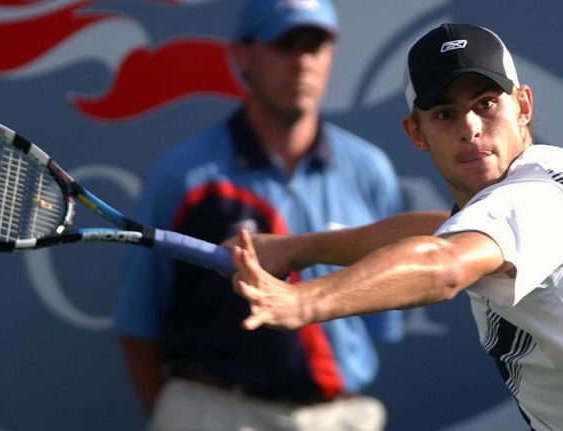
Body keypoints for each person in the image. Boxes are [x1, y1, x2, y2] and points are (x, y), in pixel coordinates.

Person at [228, 23, 563, 430]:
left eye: (486, 104)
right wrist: (296, 249)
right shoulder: (546, 185)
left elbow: (445, 265)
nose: (471, 128)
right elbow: (438, 232)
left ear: (523, 106)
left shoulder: (529, 200)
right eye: (446, 114)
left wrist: (302, 301)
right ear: (417, 132)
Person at [114, 1, 404, 430]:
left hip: (341, 416)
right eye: (285, 43)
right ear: (243, 54)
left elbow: (383, 315)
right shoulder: (183, 176)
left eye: (315, 45)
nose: (303, 62)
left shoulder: (370, 170)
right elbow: (139, 323)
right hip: (214, 411)